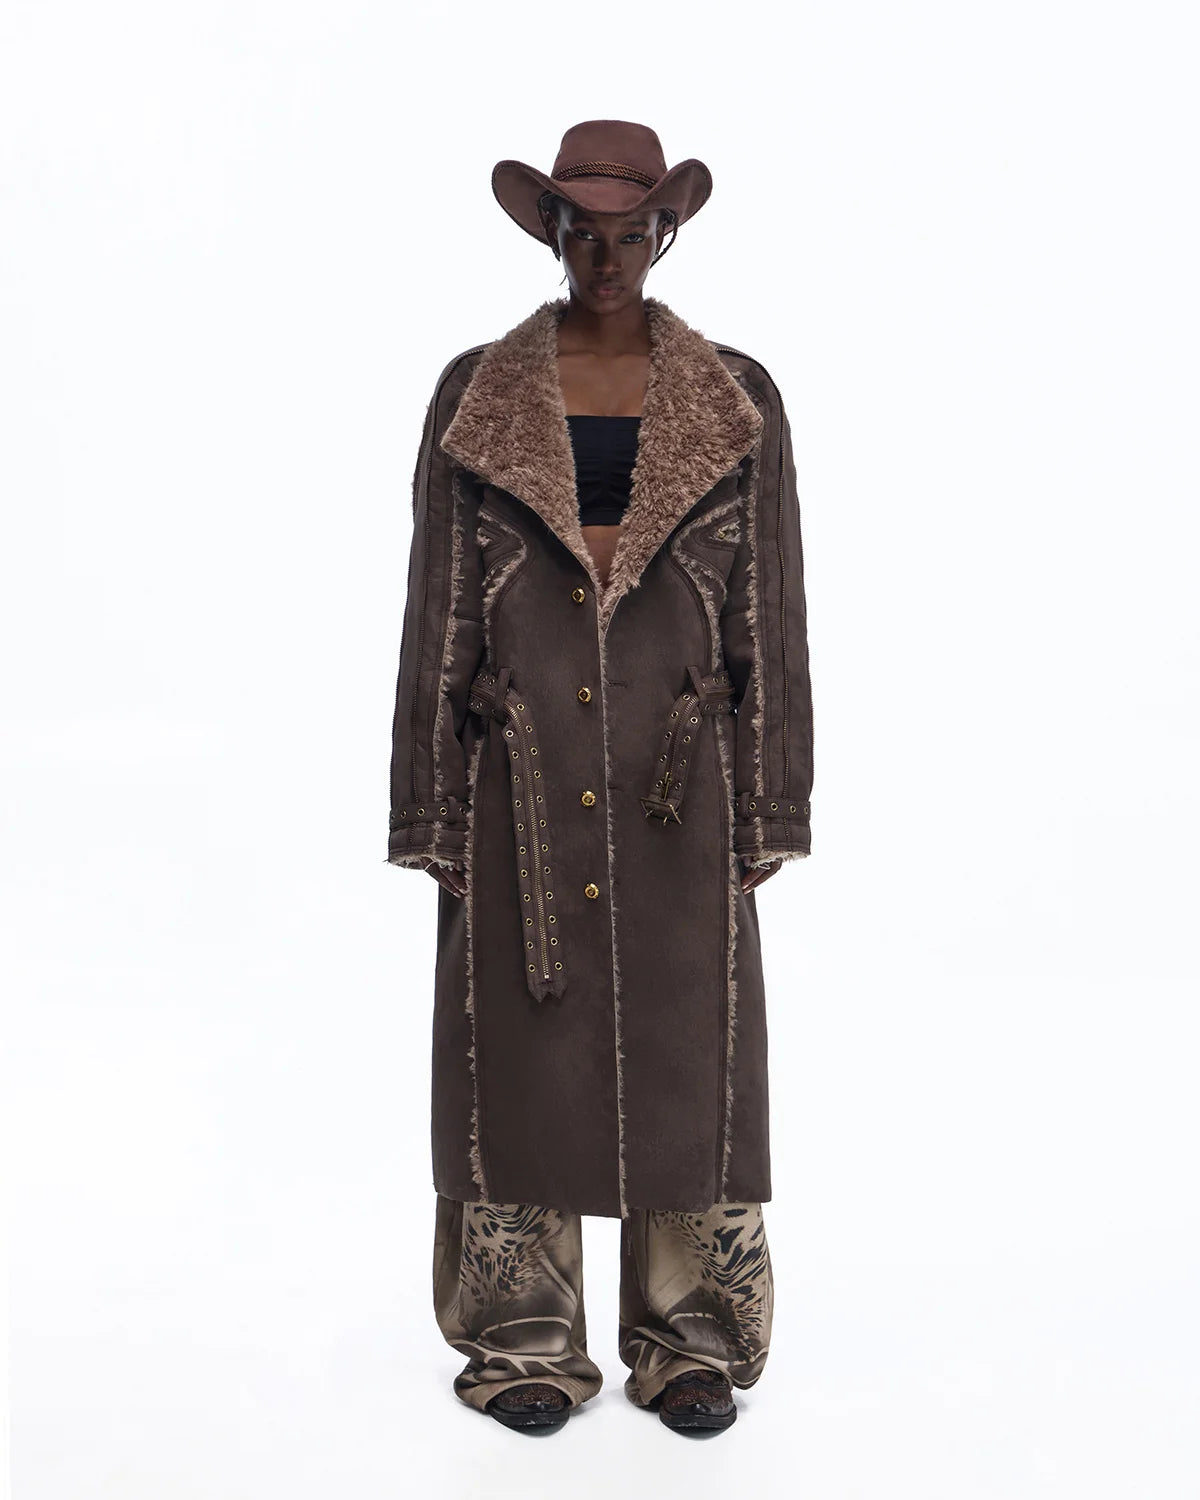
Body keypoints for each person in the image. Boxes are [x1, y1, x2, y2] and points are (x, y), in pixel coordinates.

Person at [386, 120, 814, 1435]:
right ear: (552, 234)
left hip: (683, 780)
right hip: (518, 776)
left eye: (630, 234)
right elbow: (438, 608)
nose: (607, 257)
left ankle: (692, 1337)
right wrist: (429, 806)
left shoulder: (737, 396)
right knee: (512, 1059)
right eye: (583, 232)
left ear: (664, 234)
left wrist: (773, 800)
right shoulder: (477, 393)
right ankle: (521, 1336)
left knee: (695, 1056)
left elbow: (772, 609)